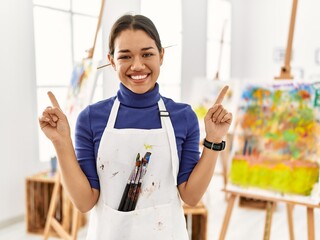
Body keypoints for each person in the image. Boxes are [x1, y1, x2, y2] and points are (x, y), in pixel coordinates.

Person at [39, 14, 232, 240]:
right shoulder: (91, 118)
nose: (137, 65)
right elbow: (84, 202)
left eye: (147, 54)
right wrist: (61, 142)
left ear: (162, 55)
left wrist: (214, 140)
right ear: (112, 61)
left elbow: (191, 196)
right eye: (125, 56)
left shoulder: (183, 117)